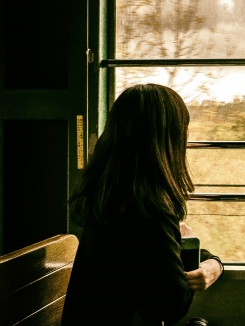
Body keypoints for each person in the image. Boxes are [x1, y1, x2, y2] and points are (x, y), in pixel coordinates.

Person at [62, 84, 223, 325]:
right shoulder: (148, 210)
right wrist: (203, 258)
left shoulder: (109, 196)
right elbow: (172, 305)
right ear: (169, 138)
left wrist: (212, 262)